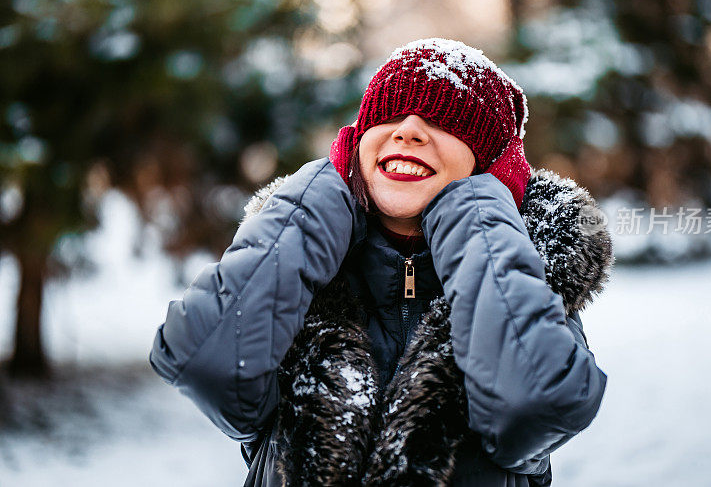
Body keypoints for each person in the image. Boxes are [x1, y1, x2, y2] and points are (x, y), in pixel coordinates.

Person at [150, 38, 613, 486]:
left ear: (491, 168)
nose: (407, 129)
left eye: (445, 120)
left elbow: (533, 407)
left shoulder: (531, 276)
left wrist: (479, 217)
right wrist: (319, 201)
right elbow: (205, 359)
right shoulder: (297, 269)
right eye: (388, 114)